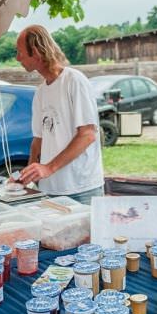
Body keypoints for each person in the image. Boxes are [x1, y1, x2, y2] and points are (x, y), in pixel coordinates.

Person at [15, 25, 104, 205]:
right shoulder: (40, 92)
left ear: (37, 52)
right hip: (49, 190)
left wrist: (49, 168)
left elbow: (87, 135)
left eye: (20, 52)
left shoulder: (74, 80)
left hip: (81, 188)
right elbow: (37, 141)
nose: (18, 58)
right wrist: (27, 177)